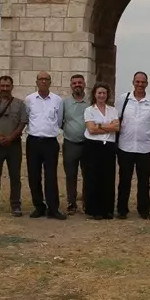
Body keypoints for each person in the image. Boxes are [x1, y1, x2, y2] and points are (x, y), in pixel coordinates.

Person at [116, 71, 150, 220]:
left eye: (143, 82)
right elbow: (116, 120)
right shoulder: (123, 99)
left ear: (147, 84)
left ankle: (144, 210)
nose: (140, 85)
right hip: (125, 146)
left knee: (144, 182)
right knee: (124, 180)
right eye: (137, 82)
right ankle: (122, 209)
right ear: (133, 82)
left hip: (145, 148)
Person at [0, 75, 28, 216]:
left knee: (15, 176)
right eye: (2, 86)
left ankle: (16, 205)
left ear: (12, 87)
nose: (5, 89)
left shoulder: (20, 104)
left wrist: (10, 137)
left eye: (8, 86)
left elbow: (22, 123)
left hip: (13, 145)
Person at [25, 71, 67, 220]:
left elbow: (60, 119)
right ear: (36, 82)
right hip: (33, 141)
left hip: (50, 142)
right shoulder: (29, 99)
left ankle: (53, 208)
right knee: (34, 175)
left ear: (50, 82)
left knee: (51, 176)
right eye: (40, 79)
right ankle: (39, 206)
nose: (43, 81)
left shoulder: (57, 100)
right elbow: (27, 117)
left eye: (46, 79)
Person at [82, 82, 119, 220]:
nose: (102, 95)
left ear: (107, 94)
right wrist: (108, 126)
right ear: (95, 95)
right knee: (93, 177)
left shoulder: (112, 110)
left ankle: (107, 209)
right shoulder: (89, 110)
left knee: (108, 177)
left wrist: (99, 125)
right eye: (99, 93)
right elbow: (91, 129)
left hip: (108, 146)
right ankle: (94, 209)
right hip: (93, 146)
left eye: (104, 93)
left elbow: (117, 127)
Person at [61, 74, 89, 215]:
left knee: (87, 174)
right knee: (71, 174)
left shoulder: (90, 102)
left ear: (84, 84)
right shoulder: (64, 103)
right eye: (74, 83)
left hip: (87, 145)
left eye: (80, 82)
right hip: (70, 143)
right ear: (71, 85)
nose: (77, 85)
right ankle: (71, 203)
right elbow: (60, 122)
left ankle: (86, 202)